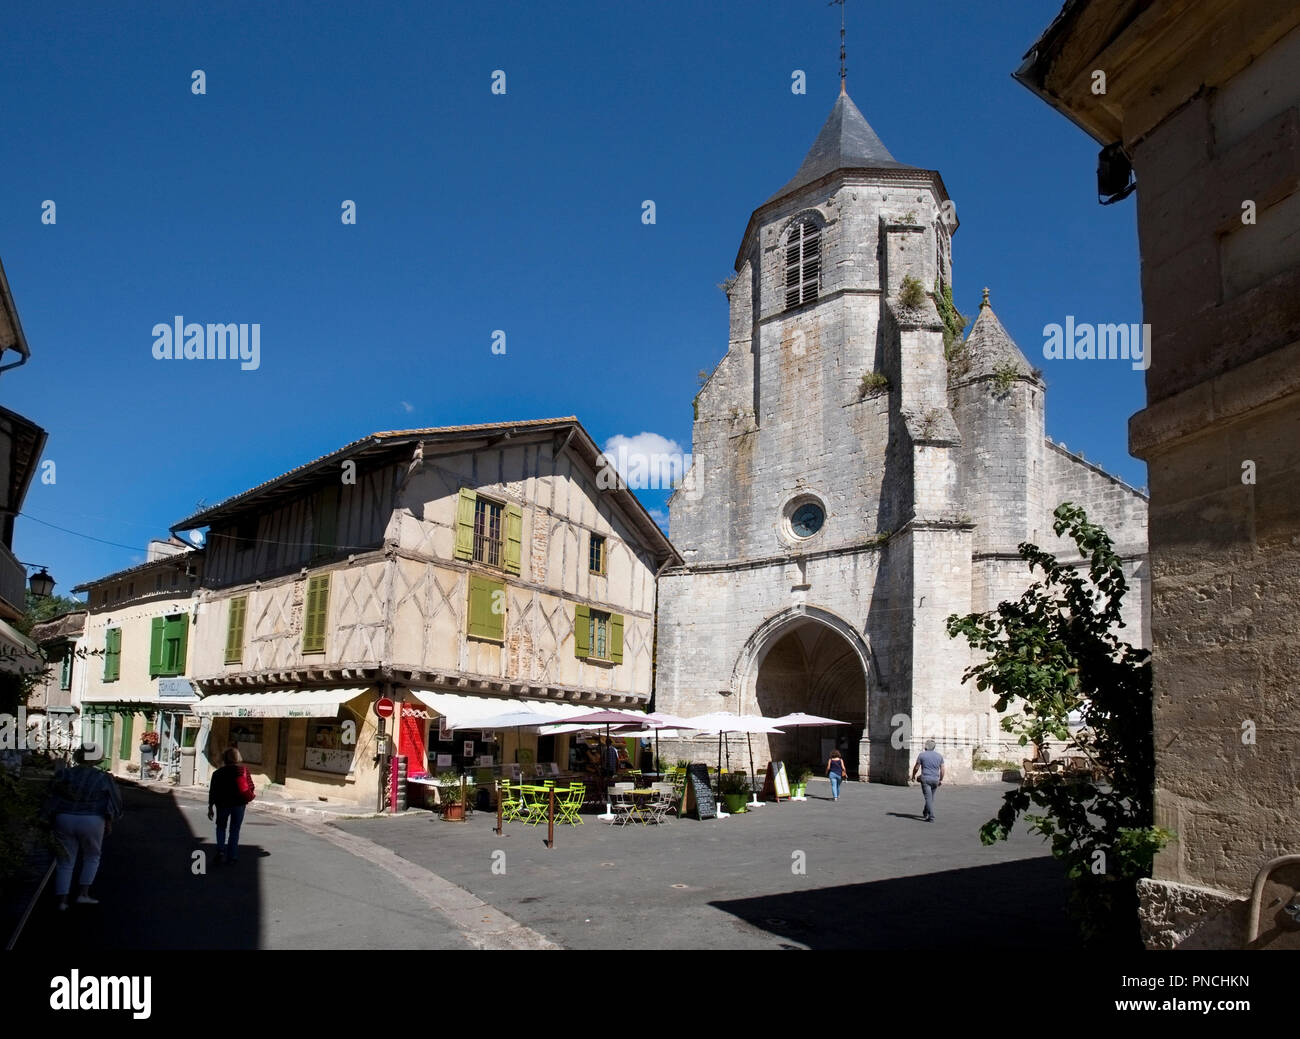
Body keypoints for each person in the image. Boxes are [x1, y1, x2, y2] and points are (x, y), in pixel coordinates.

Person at [45, 745, 123, 910]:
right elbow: (113, 800)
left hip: (64, 817)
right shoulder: (103, 777)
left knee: (65, 860)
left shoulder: (65, 773)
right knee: (92, 856)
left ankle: (62, 901)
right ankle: (83, 894)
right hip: (92, 819)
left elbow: (51, 795)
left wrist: (46, 817)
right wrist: (110, 820)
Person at [208, 747, 253, 864]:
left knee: (221, 827)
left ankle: (220, 850)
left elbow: (213, 791)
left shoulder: (218, 773)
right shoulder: (243, 771)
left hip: (222, 804)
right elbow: (251, 786)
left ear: (224, 758)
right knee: (235, 830)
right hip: (239, 804)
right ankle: (232, 856)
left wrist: (210, 807)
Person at [911, 738, 946, 821]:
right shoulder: (939, 756)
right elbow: (942, 769)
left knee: (928, 798)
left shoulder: (922, 755)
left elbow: (916, 767)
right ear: (934, 747)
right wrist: (941, 779)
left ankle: (931, 816)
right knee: (930, 798)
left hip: (926, 779)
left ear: (926, 747)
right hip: (935, 779)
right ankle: (925, 812)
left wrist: (913, 775)